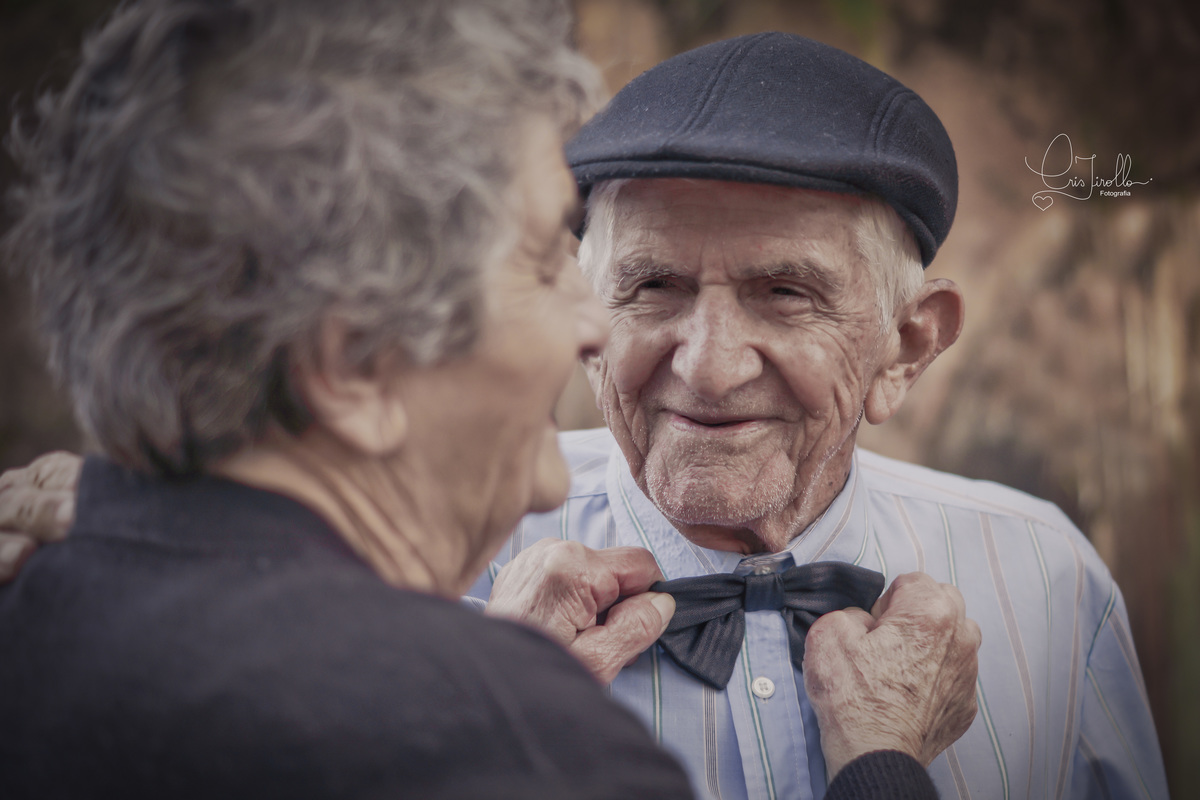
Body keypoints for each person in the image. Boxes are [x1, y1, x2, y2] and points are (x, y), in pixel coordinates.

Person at [0, 2, 979, 798]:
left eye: (786, 291)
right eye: (543, 261)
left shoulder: (35, 607)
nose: (590, 327)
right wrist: (882, 766)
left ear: (912, 340)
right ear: (352, 366)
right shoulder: (528, 744)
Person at [469, 32, 1168, 800]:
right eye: (654, 286)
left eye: (785, 293)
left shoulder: (1050, 582)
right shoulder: (444, 567)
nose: (709, 364)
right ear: (587, 327)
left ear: (906, 346)